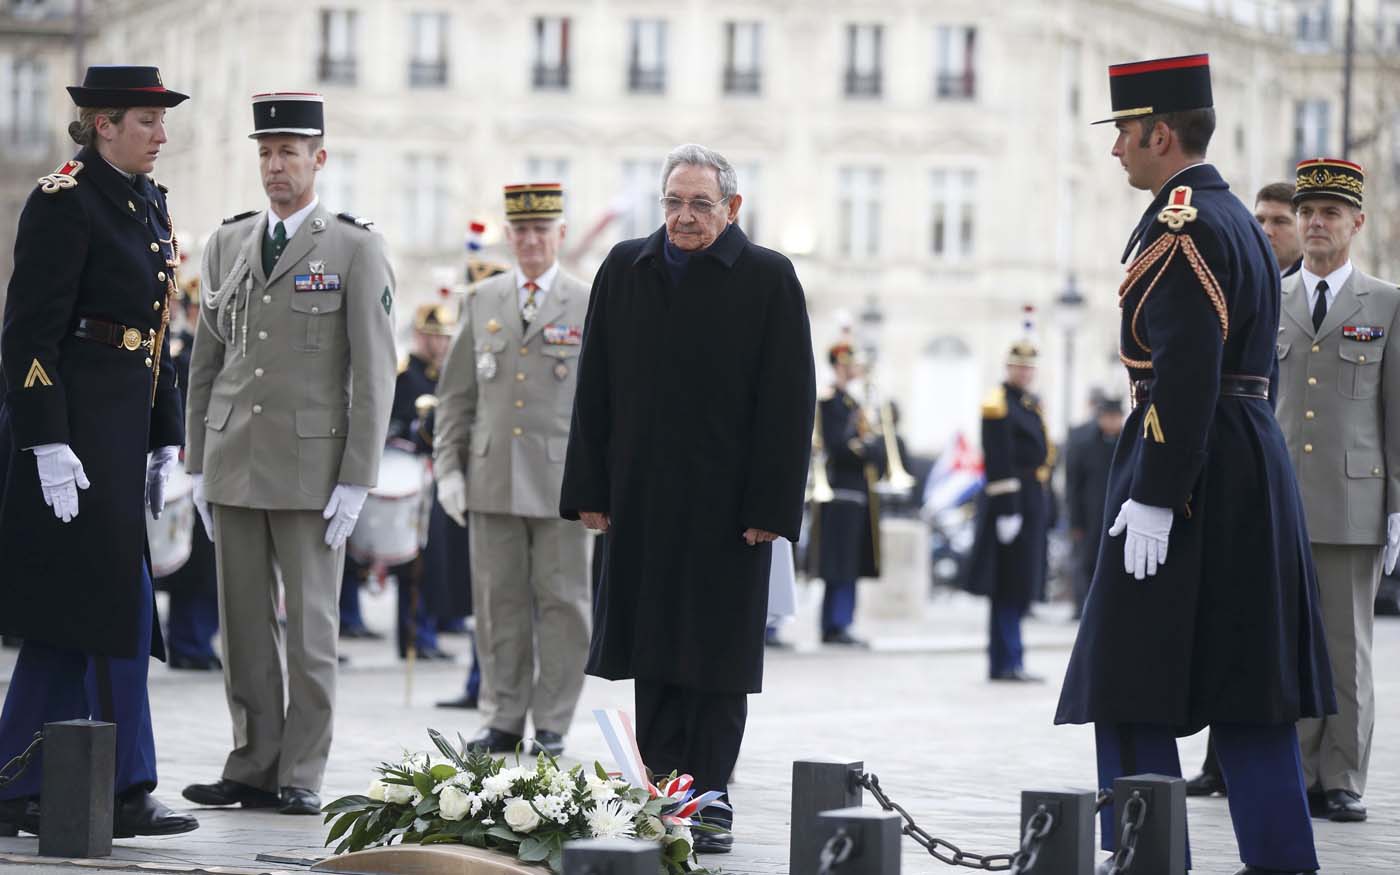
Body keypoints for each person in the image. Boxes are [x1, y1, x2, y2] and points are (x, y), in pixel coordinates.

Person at [1055, 54, 1334, 875]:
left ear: (1160, 133)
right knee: (1249, 676)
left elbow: (1182, 365)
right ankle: (1282, 856)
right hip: (1245, 454)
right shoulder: (1238, 217)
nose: (1116, 152)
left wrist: (1155, 493)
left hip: (1190, 461)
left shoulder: (1183, 221)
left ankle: (1144, 855)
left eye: (1124, 135)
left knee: (1131, 673)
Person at [560, 144, 815, 854]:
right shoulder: (624, 267)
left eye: (701, 203)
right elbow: (595, 384)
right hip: (640, 498)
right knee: (653, 647)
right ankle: (664, 788)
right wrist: (588, 489)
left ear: (732, 208)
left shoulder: (768, 278)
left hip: (729, 510)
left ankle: (712, 792)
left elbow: (790, 402)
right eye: (674, 201)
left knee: (716, 654)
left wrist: (772, 506)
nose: (685, 215)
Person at [180, 92, 396, 816]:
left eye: (290, 152)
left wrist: (358, 477)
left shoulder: (354, 248)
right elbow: (207, 360)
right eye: (267, 152)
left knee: (309, 631)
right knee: (242, 630)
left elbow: (374, 370)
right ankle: (252, 760)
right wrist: (195, 460)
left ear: (319, 159)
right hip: (235, 460)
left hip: (313, 473)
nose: (276, 165)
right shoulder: (228, 243)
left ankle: (301, 767)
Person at [0, 65, 198, 838]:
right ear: (103, 124)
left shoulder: (147, 203)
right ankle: (121, 783)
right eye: (146, 121)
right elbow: (28, 332)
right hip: (75, 432)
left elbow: (154, 332)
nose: (162, 134)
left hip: (121, 428)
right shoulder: (64, 201)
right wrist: (46, 436)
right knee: (116, 608)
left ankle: (19, 778)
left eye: (161, 120)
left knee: (75, 615)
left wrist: (164, 433)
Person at [433, 183, 591, 757]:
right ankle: (501, 715)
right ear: (508, 235)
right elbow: (456, 397)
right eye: (520, 232)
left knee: (563, 605)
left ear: (561, 236)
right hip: (492, 476)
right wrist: (448, 469)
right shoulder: (483, 300)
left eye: (540, 232)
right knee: (497, 604)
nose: (529, 242)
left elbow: (603, 404)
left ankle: (551, 720)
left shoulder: (587, 299)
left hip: (561, 484)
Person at [1275, 158, 1398, 824]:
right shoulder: (1273, 297)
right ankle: (1296, 768)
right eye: (1307, 212)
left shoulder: (1386, 303)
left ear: (1357, 222)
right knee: (1292, 641)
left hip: (1355, 501)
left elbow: (1396, 411)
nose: (1316, 223)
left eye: (1330, 213)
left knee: (1347, 647)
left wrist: (1399, 504)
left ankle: (1343, 773)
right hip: (1283, 500)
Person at [1186, 179, 1304, 798]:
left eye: (1279, 220)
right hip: (1254, 465)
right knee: (1238, 621)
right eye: (1261, 218)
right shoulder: (1252, 273)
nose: (1267, 229)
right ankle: (1222, 762)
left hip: (1287, 473)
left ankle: (1326, 775)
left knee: (1285, 637)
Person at [965, 339, 1054, 682]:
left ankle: (1010, 658)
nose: (1026, 372)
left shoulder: (1029, 404)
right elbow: (998, 458)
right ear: (1008, 367)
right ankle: (1006, 660)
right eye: (1020, 366)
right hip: (1011, 500)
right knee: (1008, 585)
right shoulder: (997, 403)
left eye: (1030, 367)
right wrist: (1007, 509)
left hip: (1030, 499)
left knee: (1020, 584)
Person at [158, 276, 222, 671]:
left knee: (210, 564)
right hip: (188, 466)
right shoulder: (182, 355)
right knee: (191, 564)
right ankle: (187, 640)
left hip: (216, 468)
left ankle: (200, 640)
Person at [806, 341, 883, 645]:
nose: (855, 369)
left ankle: (842, 620)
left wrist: (871, 448)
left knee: (850, 561)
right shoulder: (831, 402)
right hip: (839, 490)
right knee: (838, 562)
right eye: (850, 364)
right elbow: (839, 445)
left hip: (857, 490)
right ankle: (834, 623)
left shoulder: (852, 403)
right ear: (840, 365)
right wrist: (867, 448)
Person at [1064, 394, 1124, 619]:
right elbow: (1073, 485)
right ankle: (1083, 608)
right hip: (1090, 515)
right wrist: (1075, 520)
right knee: (1086, 562)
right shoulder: (1084, 443)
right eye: (1107, 417)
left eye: (1115, 417)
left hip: (1117, 513)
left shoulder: (1127, 443)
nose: (1111, 422)